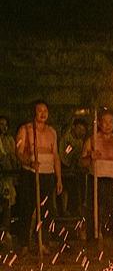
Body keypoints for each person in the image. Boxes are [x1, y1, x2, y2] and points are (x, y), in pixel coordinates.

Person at [15, 100, 63, 254]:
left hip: (47, 175)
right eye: (39, 110)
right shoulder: (26, 130)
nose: (43, 113)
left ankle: (43, 242)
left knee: (46, 210)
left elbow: (55, 156)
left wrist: (59, 178)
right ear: (34, 113)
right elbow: (19, 152)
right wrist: (29, 161)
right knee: (27, 209)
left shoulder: (52, 132)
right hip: (30, 175)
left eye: (45, 111)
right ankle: (24, 244)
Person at [81, 110, 113, 244]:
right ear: (99, 123)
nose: (108, 125)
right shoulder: (92, 139)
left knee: (112, 209)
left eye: (111, 121)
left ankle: (111, 238)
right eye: (105, 122)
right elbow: (82, 162)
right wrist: (90, 156)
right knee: (94, 210)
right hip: (96, 179)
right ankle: (92, 239)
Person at [58, 118, 88, 218]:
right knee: (66, 189)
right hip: (64, 167)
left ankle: (75, 210)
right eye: (79, 129)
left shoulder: (80, 141)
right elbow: (65, 154)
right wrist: (72, 150)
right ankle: (64, 210)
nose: (81, 132)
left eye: (83, 130)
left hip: (74, 169)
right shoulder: (67, 138)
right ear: (74, 127)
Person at [0, 116, 18, 246]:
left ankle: (6, 232)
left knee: (7, 203)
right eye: (1, 124)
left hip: (8, 177)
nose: (3, 127)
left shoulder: (10, 140)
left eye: (5, 124)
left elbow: (12, 156)